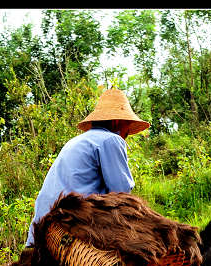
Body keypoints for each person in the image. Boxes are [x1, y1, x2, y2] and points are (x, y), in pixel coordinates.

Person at [25, 88, 150, 247]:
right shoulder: (111, 140)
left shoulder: (77, 141)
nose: (127, 134)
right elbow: (122, 193)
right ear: (116, 122)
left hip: (42, 224)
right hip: (70, 220)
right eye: (127, 126)